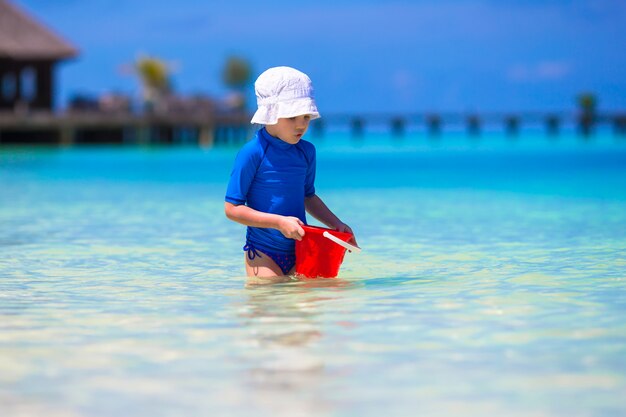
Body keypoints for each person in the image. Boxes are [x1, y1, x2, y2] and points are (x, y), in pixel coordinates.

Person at [225, 66, 356, 278]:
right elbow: (232, 209)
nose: (301, 125)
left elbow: (308, 196)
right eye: (291, 117)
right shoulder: (252, 153)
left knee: (312, 303)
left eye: (305, 117)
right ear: (271, 114)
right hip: (263, 253)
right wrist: (278, 222)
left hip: (302, 248)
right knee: (270, 304)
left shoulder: (306, 152)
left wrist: (336, 224)